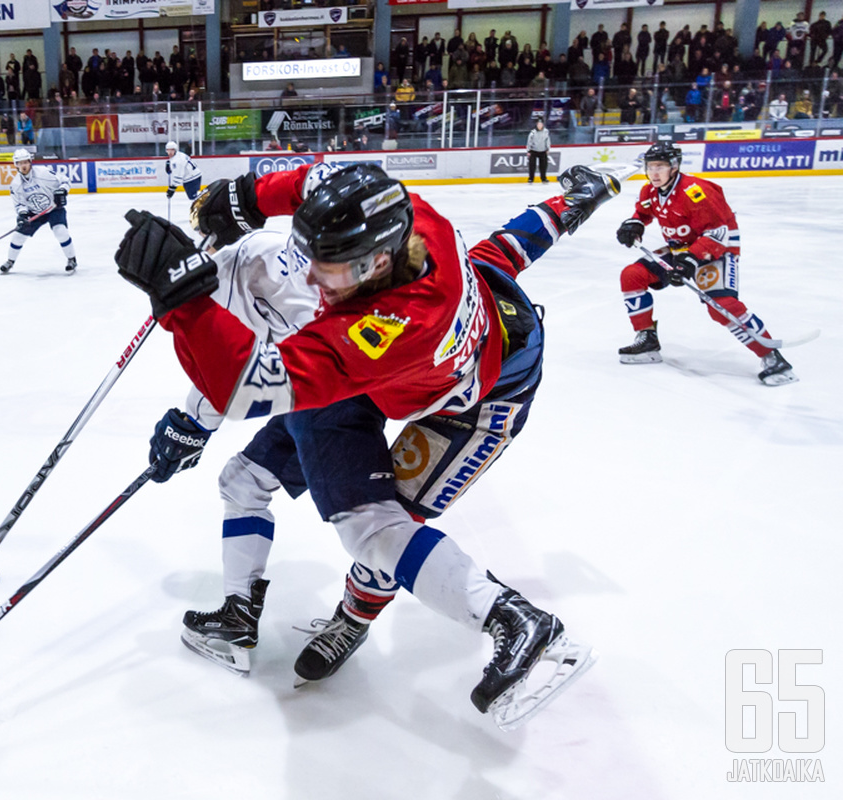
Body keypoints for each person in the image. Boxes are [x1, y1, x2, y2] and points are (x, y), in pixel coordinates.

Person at [115, 160, 623, 726]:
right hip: (448, 333)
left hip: (476, 405)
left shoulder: (382, 332)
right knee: (244, 481)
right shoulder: (408, 216)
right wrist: (247, 197)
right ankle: (236, 614)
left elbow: (249, 386)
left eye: (325, 270)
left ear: (376, 261)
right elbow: (319, 179)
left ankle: (505, 617)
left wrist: (182, 301)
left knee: (379, 532)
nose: (308, 278)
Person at [614, 143, 796, 385]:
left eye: (660, 166)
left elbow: (719, 231)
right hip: (680, 250)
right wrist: (634, 224)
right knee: (632, 275)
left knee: (721, 306)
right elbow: (643, 212)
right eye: (650, 167)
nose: (654, 172)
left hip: (716, 250)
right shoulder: (649, 191)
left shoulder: (696, 191)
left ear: (674, 167)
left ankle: (772, 357)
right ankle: (647, 339)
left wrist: (692, 258)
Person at [0, 148, 77, 275]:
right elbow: (19, 204)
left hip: (53, 208)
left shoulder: (44, 173)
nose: (23, 166)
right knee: (18, 237)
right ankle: (10, 261)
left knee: (60, 231)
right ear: (16, 165)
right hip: (34, 213)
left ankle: (72, 259)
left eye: (25, 162)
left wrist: (62, 190)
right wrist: (23, 215)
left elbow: (65, 181)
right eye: (19, 163)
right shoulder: (16, 184)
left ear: (30, 162)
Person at [525, 118, 550, 184]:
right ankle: (531, 179)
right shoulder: (533, 132)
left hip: (543, 151)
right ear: (536, 125)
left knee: (543, 166)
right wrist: (528, 150)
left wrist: (548, 148)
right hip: (533, 151)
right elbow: (529, 142)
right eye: (538, 124)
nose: (539, 126)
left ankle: (543, 178)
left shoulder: (546, 131)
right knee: (532, 166)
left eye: (541, 124)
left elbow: (547, 140)